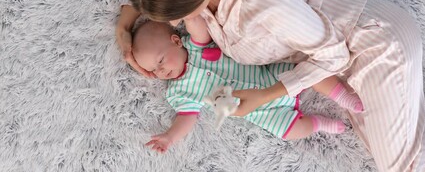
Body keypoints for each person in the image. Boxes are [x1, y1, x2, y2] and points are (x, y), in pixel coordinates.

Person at [116, 0, 425, 171]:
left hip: (374, 48)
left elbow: (333, 54)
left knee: (409, 167)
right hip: (353, 54)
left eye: (171, 16)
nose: (172, 23)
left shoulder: (261, 3)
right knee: (386, 143)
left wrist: (266, 95)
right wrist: (124, 29)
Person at [132, 20, 346, 153]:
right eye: (154, 69)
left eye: (160, 61)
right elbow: (186, 118)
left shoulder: (194, 46)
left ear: (176, 41)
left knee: (307, 71)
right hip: (260, 111)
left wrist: (190, 16)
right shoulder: (178, 92)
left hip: (269, 76)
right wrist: (170, 136)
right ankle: (319, 124)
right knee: (291, 131)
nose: (160, 72)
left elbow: (199, 29)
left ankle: (341, 95)